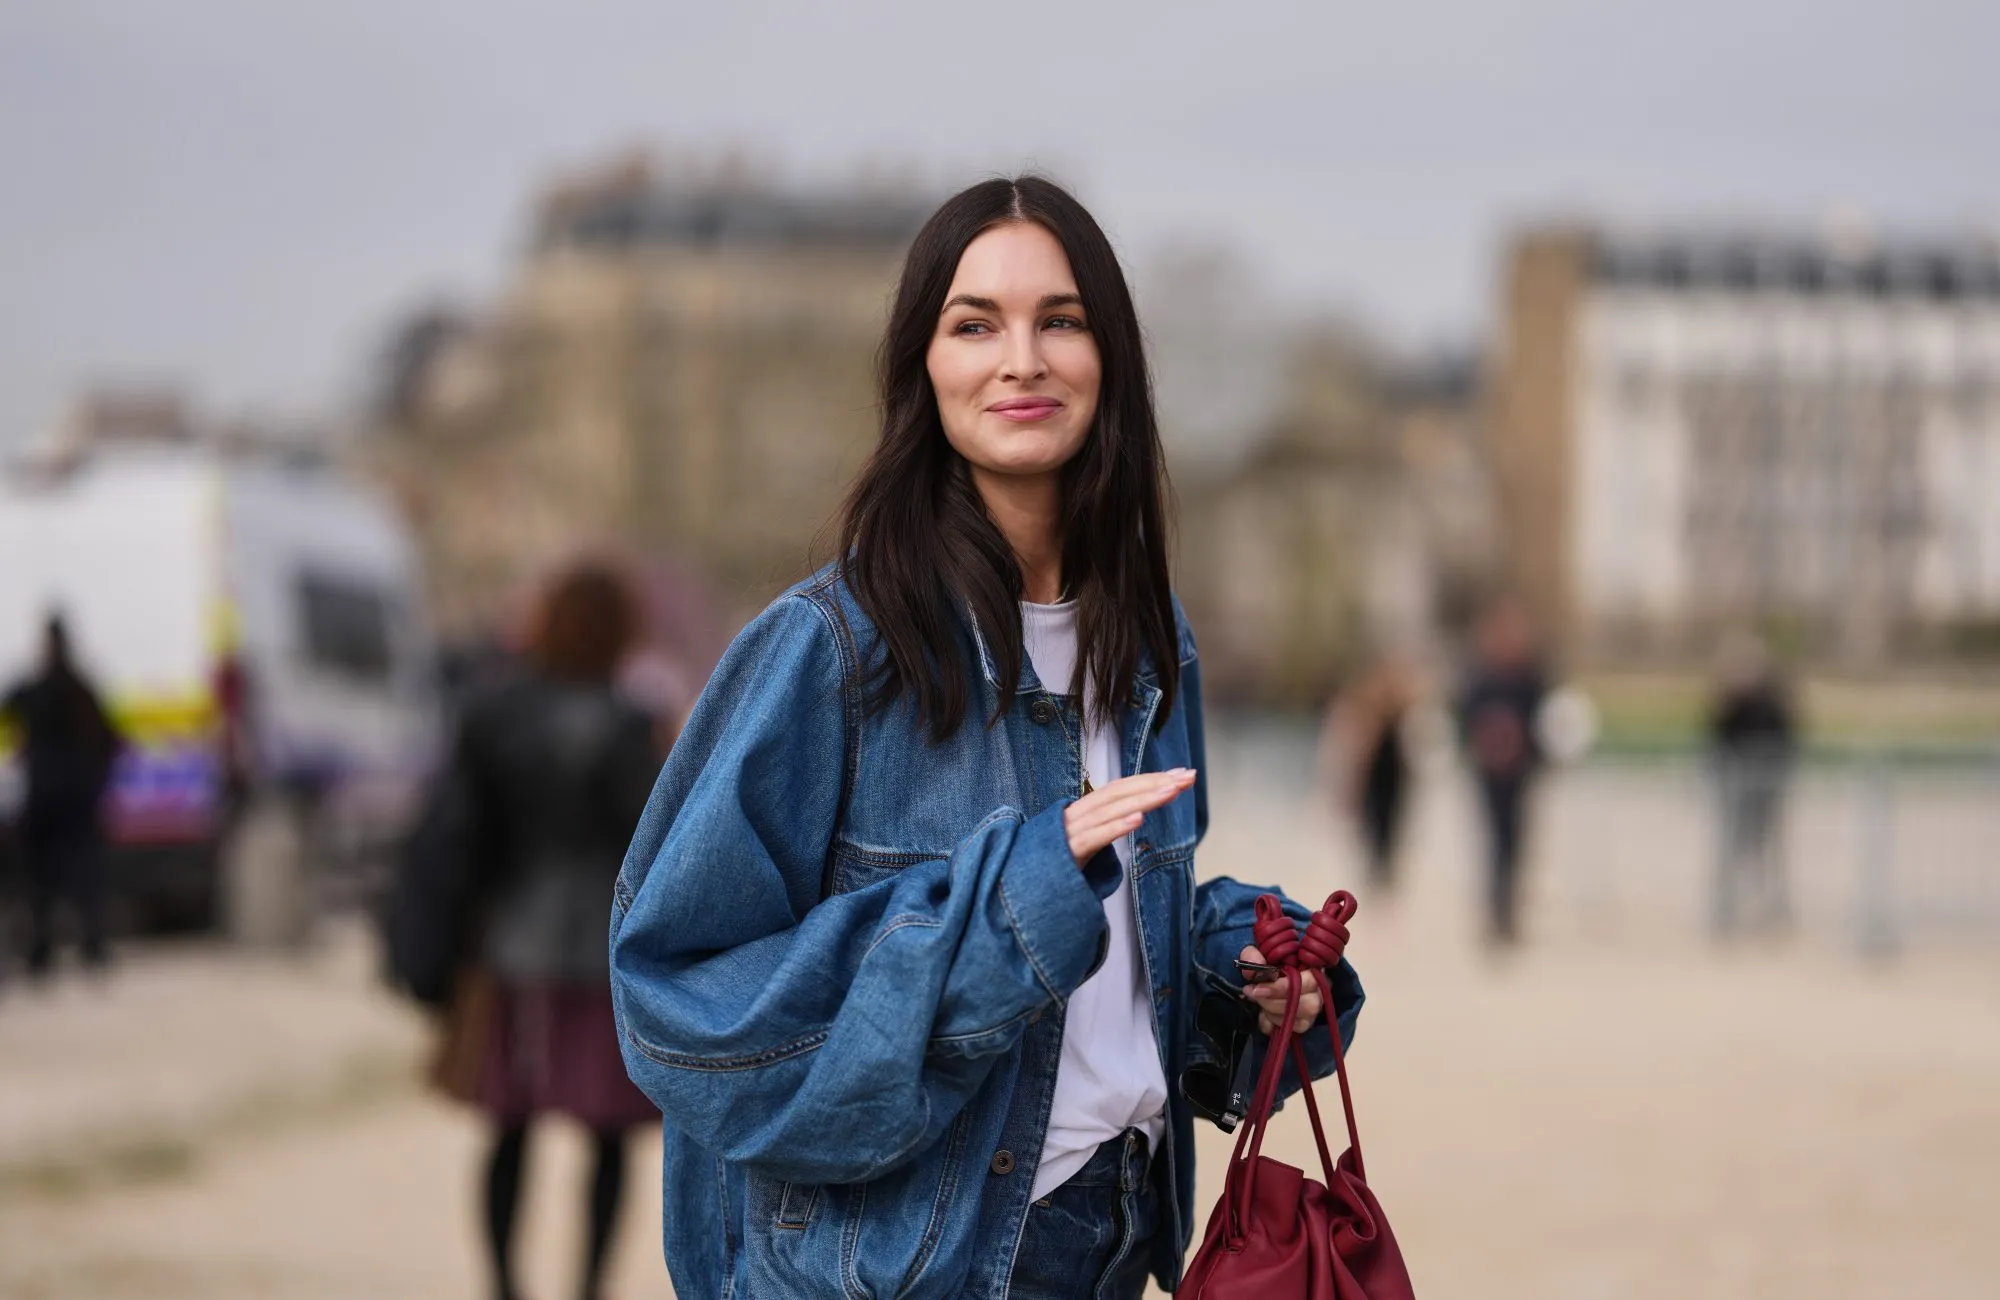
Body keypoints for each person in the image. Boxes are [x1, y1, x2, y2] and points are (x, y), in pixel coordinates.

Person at [609, 176, 1367, 1299]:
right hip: (911, 1266)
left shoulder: (1153, 643)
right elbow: (674, 998)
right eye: (975, 325)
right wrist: (1008, 908)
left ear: (1108, 357)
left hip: (1112, 1245)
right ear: (925, 364)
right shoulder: (829, 647)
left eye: (1058, 320)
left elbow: (1120, 938)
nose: (1021, 359)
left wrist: (1240, 975)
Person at [447, 564, 665, 1300]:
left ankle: (504, 1283)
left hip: (516, 947)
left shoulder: (496, 716)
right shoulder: (635, 727)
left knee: (509, 1130)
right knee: (609, 1139)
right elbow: (652, 843)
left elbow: (463, 840)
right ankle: (589, 1288)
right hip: (605, 959)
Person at [2, 614, 122, 979]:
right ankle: (86, 949)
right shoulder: (80, 687)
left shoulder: (43, 687)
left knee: (44, 880)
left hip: (49, 797)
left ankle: (45, 954)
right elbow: (111, 740)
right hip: (73, 799)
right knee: (80, 876)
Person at [1456, 599, 1547, 947]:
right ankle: (1496, 909)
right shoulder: (1480, 677)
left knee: (1516, 841)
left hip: (1519, 770)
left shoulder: (1529, 675)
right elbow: (1465, 716)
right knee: (1493, 840)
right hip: (1489, 771)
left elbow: (1544, 720)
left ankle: (1508, 909)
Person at [1707, 632, 1798, 938]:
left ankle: (1770, 910)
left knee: (1768, 851)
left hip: (1765, 790)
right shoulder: (1730, 701)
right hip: (1736, 790)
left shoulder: (1771, 698)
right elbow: (1717, 737)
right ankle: (1728, 908)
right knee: (1732, 850)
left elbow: (1786, 735)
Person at [1321, 653, 1419, 894]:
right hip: (1375, 775)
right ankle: (1376, 873)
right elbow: (1356, 747)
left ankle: (1384, 873)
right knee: (1373, 824)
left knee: (1390, 825)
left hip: (1393, 775)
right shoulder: (1364, 706)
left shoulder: (1399, 706)